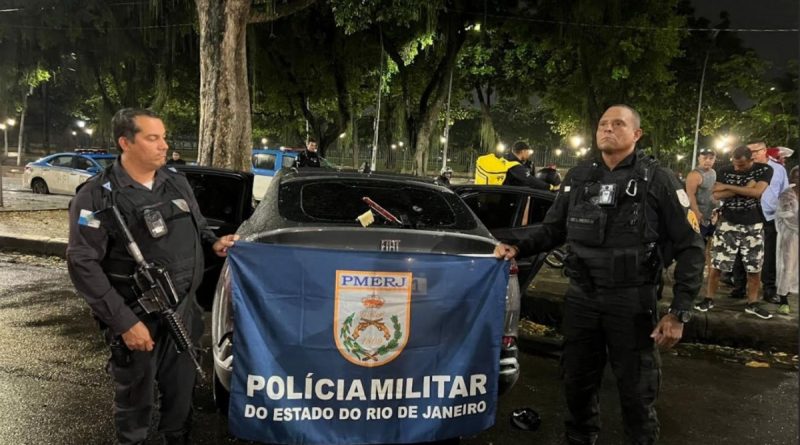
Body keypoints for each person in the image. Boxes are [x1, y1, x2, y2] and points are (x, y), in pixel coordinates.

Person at [494, 105, 704, 445]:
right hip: (582, 299)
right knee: (576, 383)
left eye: (618, 124)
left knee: (637, 392)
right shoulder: (579, 177)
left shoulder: (657, 178)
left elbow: (691, 246)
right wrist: (517, 247)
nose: (608, 129)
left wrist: (679, 312)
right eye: (603, 124)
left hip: (632, 301)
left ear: (636, 134)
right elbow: (552, 230)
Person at [66, 108, 238, 444]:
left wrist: (214, 242)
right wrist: (125, 323)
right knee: (136, 408)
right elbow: (82, 263)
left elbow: (198, 225)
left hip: (183, 314)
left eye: (164, 137)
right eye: (152, 138)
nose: (164, 145)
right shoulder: (97, 196)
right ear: (125, 143)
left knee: (180, 402)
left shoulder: (175, 181)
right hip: (137, 317)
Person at [694, 145, 773, 319]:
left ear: (751, 160)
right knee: (717, 264)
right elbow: (716, 194)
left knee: (754, 266)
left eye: (742, 166)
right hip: (727, 222)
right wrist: (747, 188)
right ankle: (709, 298)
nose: (737, 168)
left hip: (753, 224)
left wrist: (728, 188)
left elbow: (758, 192)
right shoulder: (724, 170)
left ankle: (752, 302)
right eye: (735, 165)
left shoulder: (764, 169)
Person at [775, 166, 799, 314]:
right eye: (795, 176)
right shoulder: (787, 194)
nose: (798, 179)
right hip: (790, 234)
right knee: (787, 266)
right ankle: (783, 298)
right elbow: (787, 215)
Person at [685, 147, 718, 241]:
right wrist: (696, 212)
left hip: (711, 215)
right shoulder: (694, 175)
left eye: (711, 158)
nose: (708, 160)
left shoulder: (713, 172)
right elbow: (690, 195)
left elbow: (712, 191)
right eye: (705, 158)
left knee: (710, 242)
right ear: (699, 158)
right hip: (699, 216)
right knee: (697, 243)